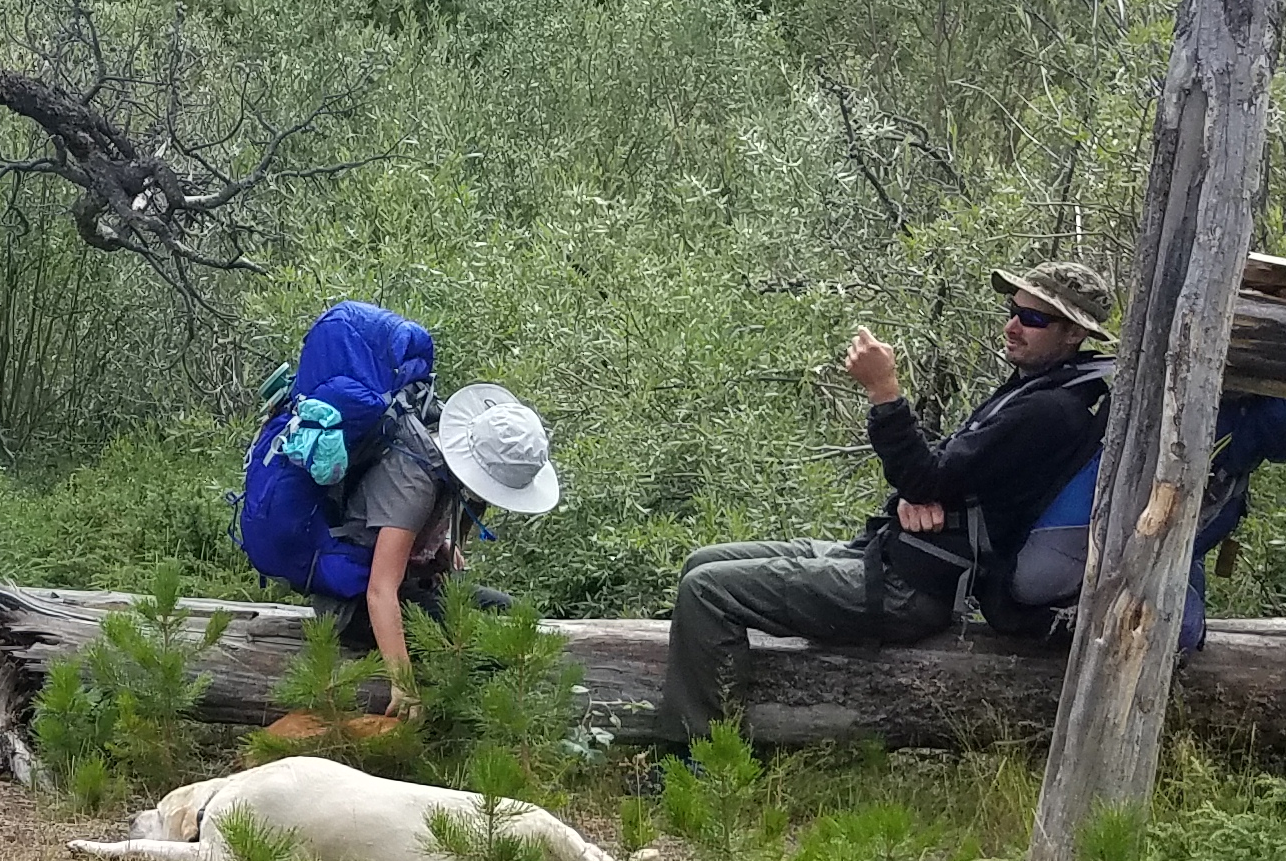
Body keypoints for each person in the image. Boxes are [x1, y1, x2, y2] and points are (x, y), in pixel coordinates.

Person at [636, 263, 1115, 750]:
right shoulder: (1041, 389)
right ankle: (715, 731)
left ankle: (702, 762)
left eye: (1032, 320)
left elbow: (930, 474)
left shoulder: (1051, 411)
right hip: (892, 555)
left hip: (911, 591)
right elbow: (942, 473)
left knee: (708, 591)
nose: (1012, 325)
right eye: (1013, 311)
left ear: (1074, 332)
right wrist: (915, 495)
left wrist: (884, 393)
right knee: (702, 562)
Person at [331, 383, 561, 692]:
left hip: (410, 584)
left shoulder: (441, 469)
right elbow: (380, 590)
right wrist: (404, 686)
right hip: (355, 603)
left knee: (519, 616)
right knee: (489, 645)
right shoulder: (413, 480)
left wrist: (437, 548)